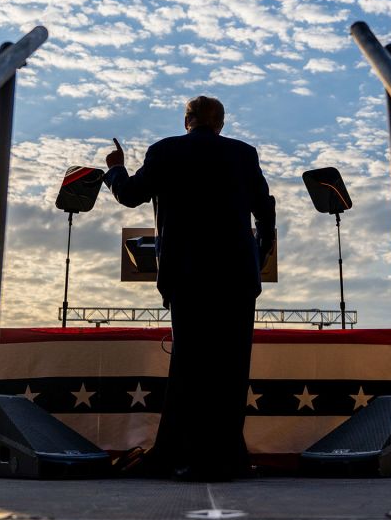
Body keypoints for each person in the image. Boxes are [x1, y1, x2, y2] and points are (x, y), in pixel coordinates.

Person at [105, 95, 276, 481]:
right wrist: (258, 255)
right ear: (221, 123)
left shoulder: (165, 151)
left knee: (190, 365)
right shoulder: (243, 154)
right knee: (232, 368)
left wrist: (115, 169)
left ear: (188, 120)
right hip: (236, 276)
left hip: (188, 274)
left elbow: (131, 195)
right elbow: (265, 210)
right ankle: (227, 458)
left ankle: (175, 455)